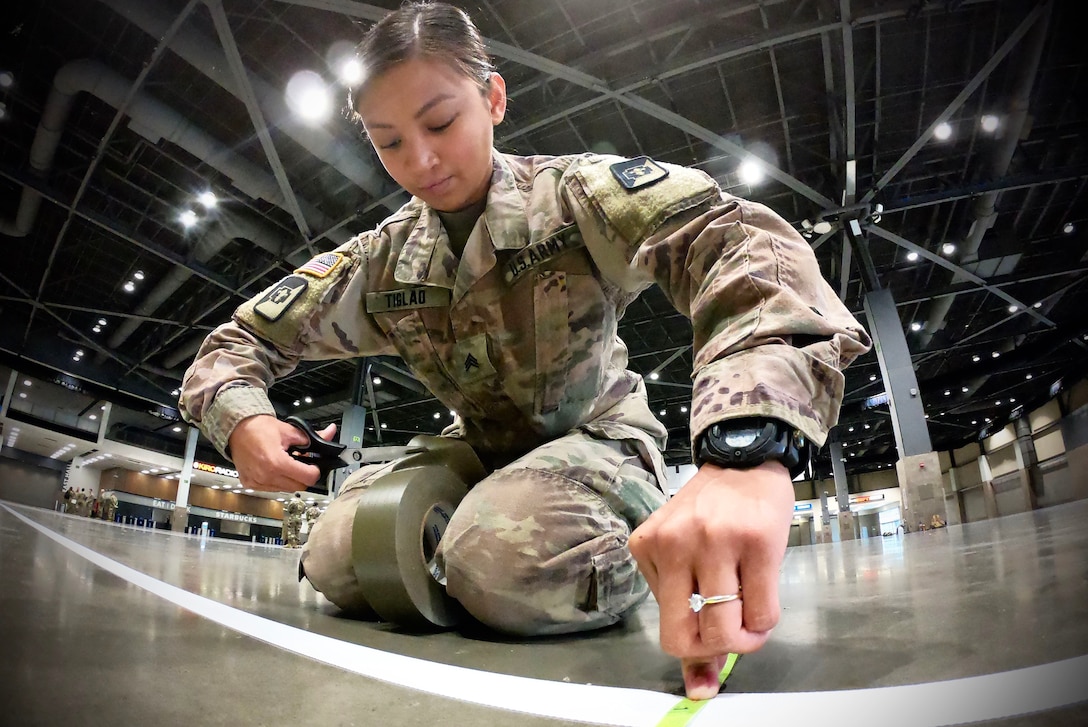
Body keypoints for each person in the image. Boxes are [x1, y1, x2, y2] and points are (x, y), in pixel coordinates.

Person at [178, 1, 870, 700]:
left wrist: (747, 449)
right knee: (339, 557)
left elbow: (739, 240)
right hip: (479, 452)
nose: (419, 159)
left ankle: (619, 544)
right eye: (388, 143)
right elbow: (240, 339)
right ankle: (490, 552)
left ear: (494, 97)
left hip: (595, 435)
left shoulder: (575, 198)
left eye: (440, 121)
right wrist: (242, 419)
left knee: (497, 561)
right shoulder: (382, 260)